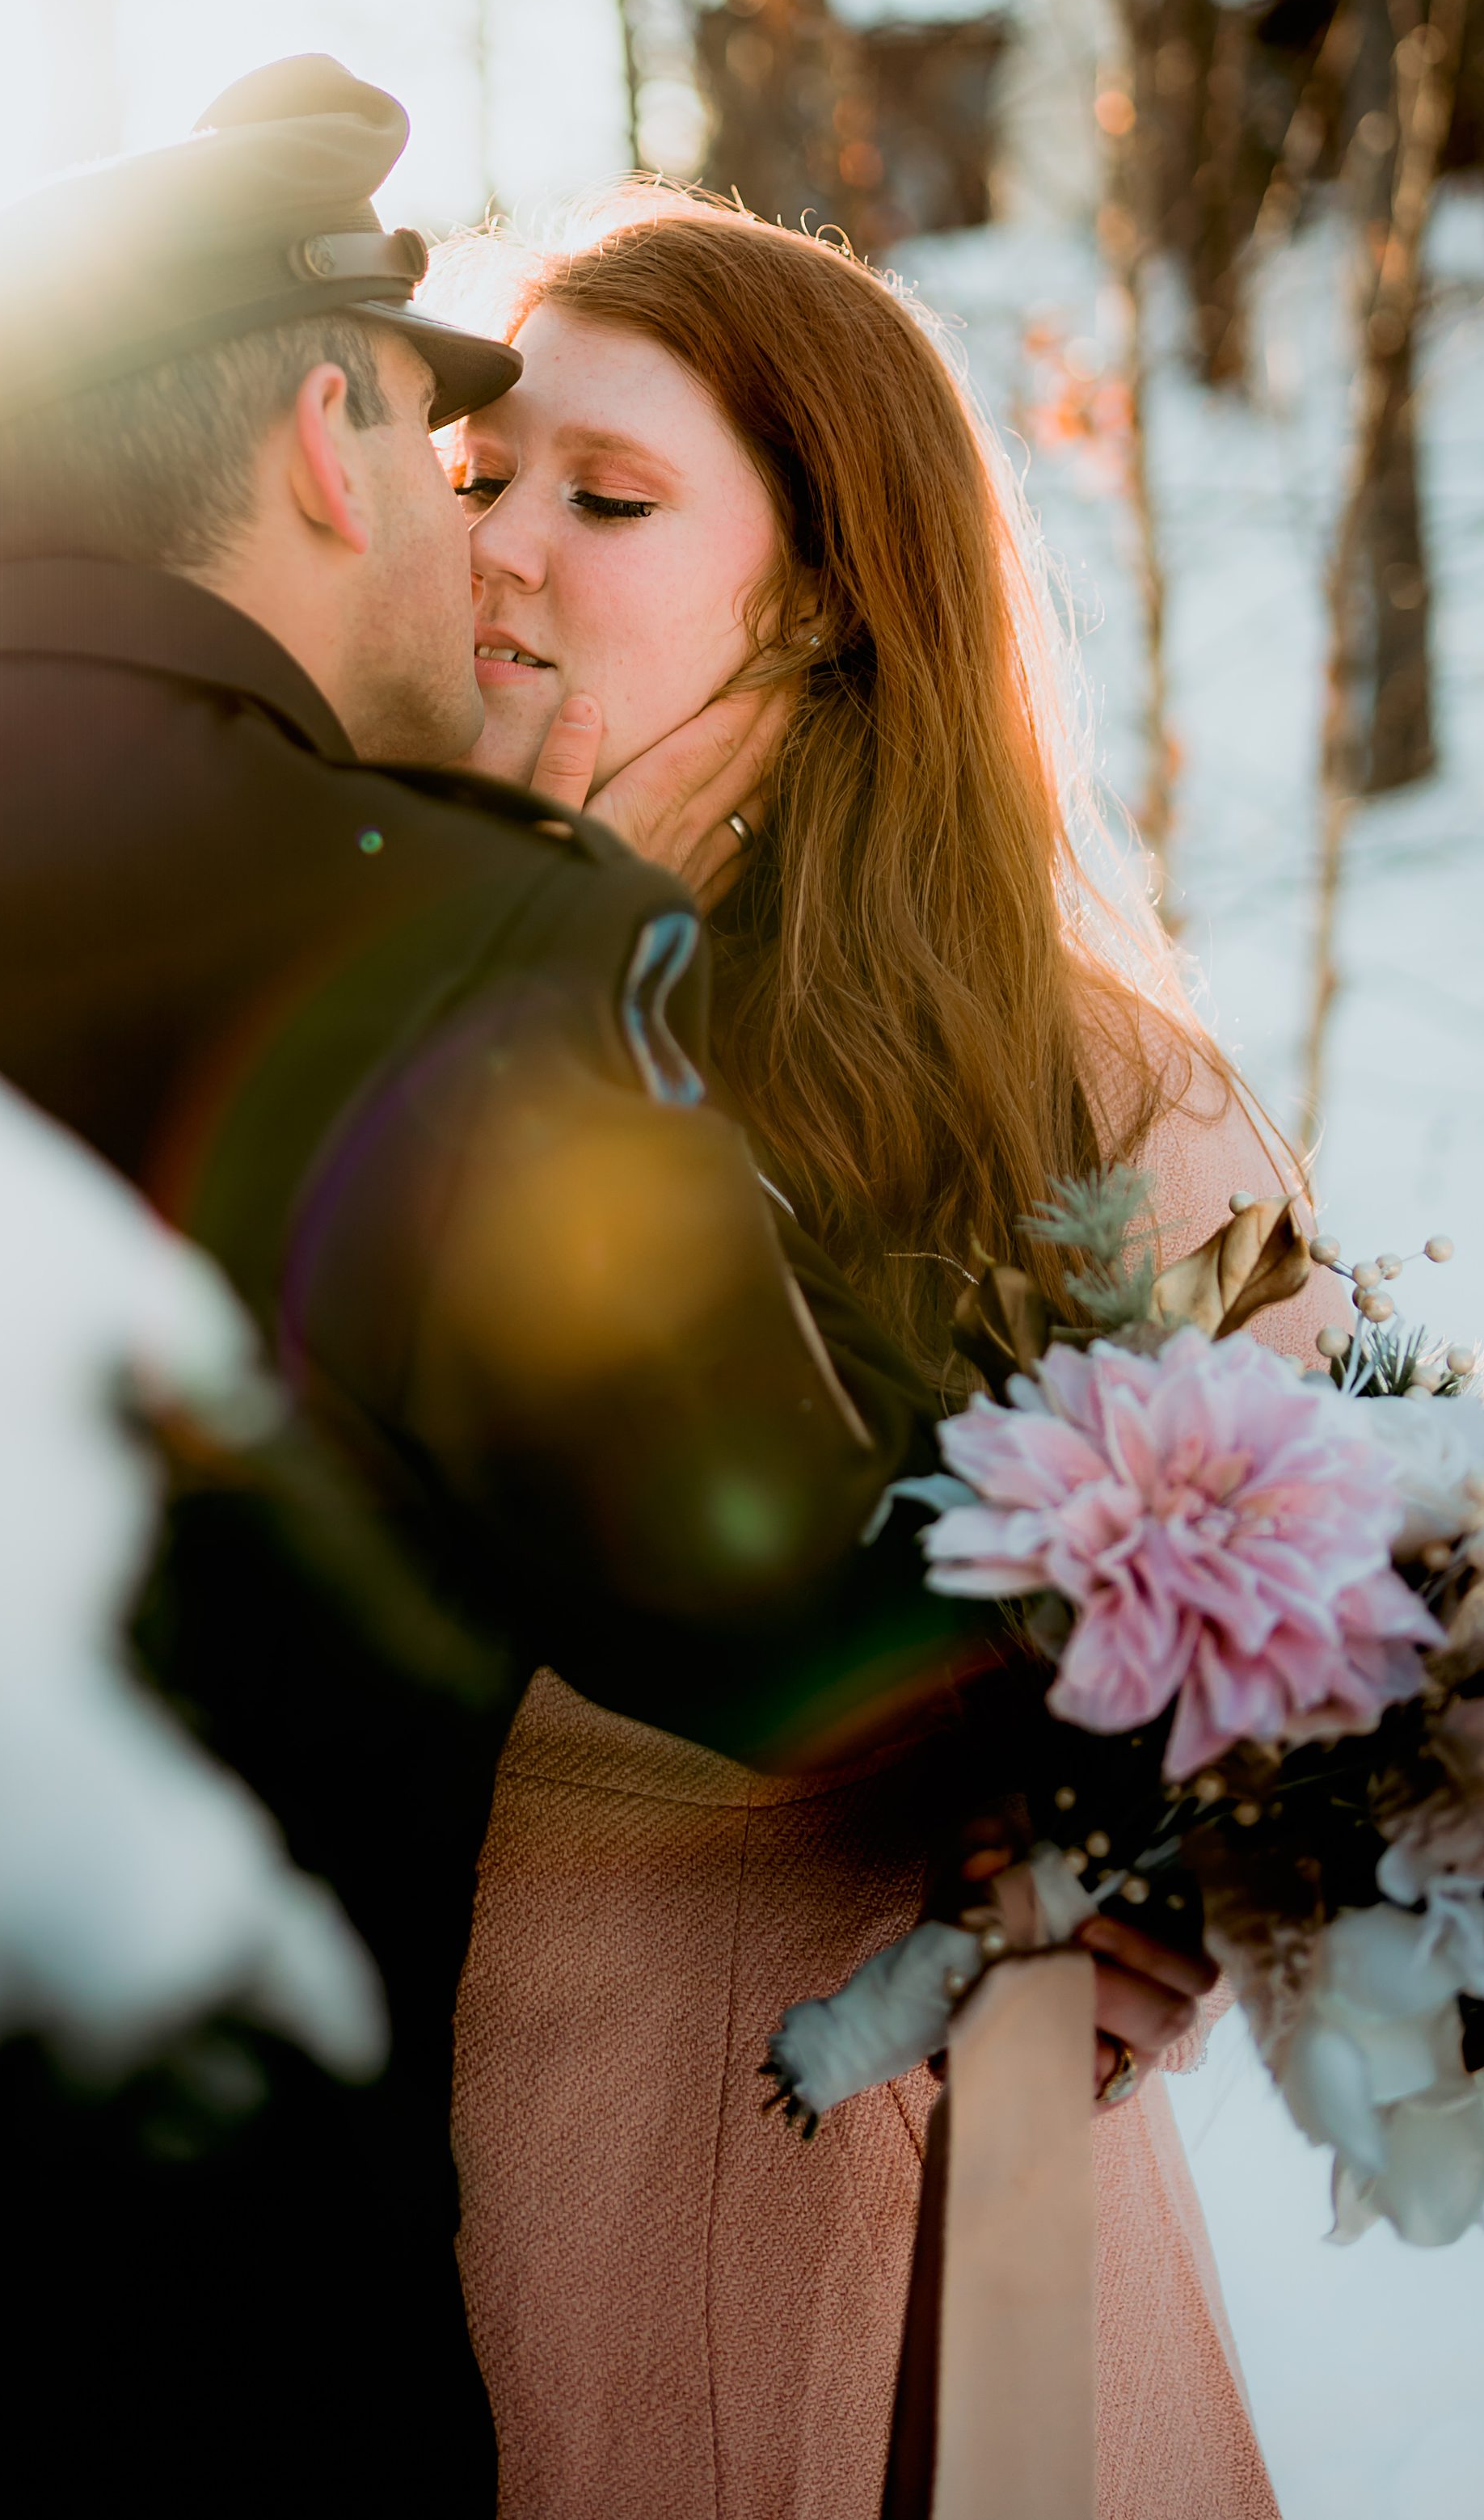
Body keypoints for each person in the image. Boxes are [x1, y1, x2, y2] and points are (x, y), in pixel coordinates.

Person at [0, 57, 946, 2518]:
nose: (487, 561)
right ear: (333, 444)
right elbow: (802, 1634)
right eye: (456, 476)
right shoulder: (471, 944)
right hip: (209, 2403)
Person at [444, 194, 1317, 2520]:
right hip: (458, 2166)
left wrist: (1153, 1864)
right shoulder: (373, 991)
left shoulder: (1081, 1083)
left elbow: (1319, 1598)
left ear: (824, 590)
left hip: (938, 2174)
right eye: (475, 480)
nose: (505, 548)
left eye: (607, 497)